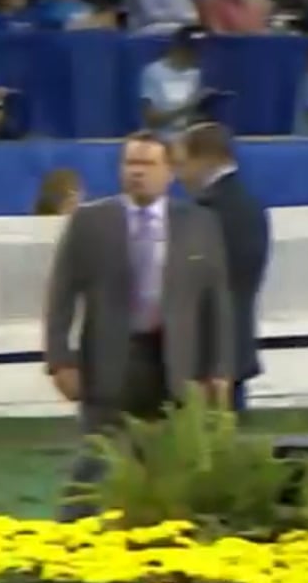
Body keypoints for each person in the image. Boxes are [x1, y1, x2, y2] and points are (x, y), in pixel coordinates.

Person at [44, 131, 235, 520]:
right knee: (95, 465)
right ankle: (71, 540)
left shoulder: (199, 224)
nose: (137, 172)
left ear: (169, 172)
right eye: (130, 164)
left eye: (147, 164)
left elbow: (216, 301)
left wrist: (219, 368)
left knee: (173, 466)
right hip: (109, 361)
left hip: (174, 363)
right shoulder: (91, 222)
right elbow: (61, 295)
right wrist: (60, 360)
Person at [178, 123, 269, 415]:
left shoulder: (210, 212)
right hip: (234, 352)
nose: (179, 175)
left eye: (183, 163)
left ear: (204, 158)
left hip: (209, 362)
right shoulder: (251, 205)